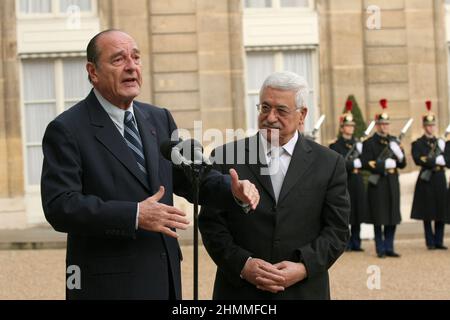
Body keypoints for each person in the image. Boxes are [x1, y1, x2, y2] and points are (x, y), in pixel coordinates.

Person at [40, 29, 259, 300]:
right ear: (93, 71)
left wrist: (232, 191)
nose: (132, 66)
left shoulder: (159, 118)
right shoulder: (67, 129)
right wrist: (134, 215)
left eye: (136, 57)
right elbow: (60, 206)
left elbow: (189, 176)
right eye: (119, 59)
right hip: (108, 286)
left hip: (164, 277)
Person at [198, 71, 350, 300]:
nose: (270, 117)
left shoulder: (329, 163)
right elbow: (211, 225)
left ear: (302, 115)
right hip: (240, 293)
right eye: (264, 108)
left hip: (304, 291)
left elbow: (337, 231)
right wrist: (244, 265)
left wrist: (303, 268)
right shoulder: (226, 156)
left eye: (281, 110)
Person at [361, 99, 406, 258]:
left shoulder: (394, 141)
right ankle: (380, 248)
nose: (384, 126)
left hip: (392, 182)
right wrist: (382, 165)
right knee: (378, 217)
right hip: (378, 183)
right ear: (377, 125)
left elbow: (403, 164)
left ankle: (389, 247)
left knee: (392, 216)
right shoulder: (370, 143)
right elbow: (365, 162)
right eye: (382, 124)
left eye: (387, 124)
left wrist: (400, 155)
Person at [329, 100, 367, 252]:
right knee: (345, 214)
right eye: (347, 126)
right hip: (344, 182)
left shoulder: (358, 144)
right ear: (342, 127)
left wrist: (359, 163)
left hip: (357, 180)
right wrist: (353, 164)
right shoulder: (335, 145)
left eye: (352, 126)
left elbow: (365, 160)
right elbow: (339, 164)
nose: (350, 128)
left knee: (357, 213)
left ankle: (357, 242)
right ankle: (346, 243)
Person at [411, 101, 448, 250]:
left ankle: (439, 240)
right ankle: (430, 241)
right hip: (426, 178)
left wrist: (443, 156)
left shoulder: (442, 143)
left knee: (441, 210)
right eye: (428, 125)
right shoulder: (418, 143)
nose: (430, 128)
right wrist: (435, 160)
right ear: (424, 126)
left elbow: (448, 160)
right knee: (427, 211)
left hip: (439, 177)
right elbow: (418, 159)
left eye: (432, 125)